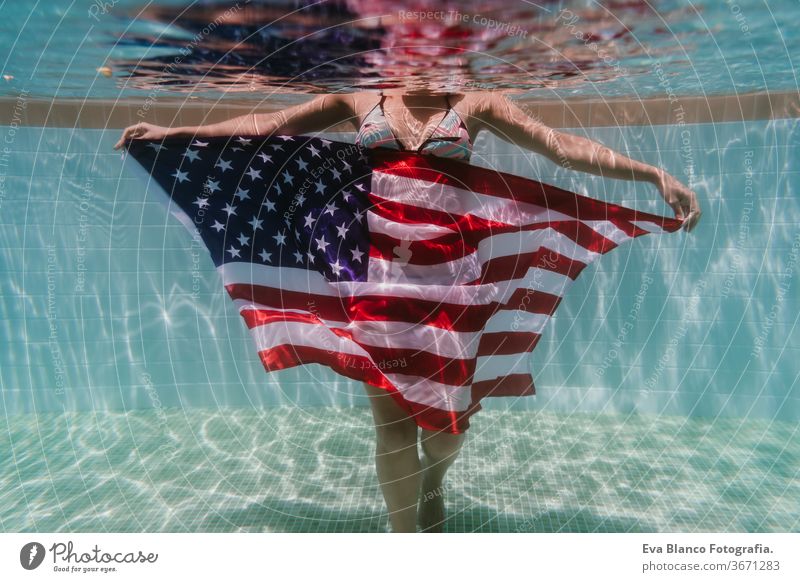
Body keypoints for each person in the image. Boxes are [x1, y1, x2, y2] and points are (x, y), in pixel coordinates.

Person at [115, 87, 701, 533]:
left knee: (445, 427)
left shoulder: (477, 101)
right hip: (374, 280)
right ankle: (407, 546)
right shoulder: (360, 97)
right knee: (391, 420)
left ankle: (435, 479)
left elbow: (560, 148)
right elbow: (264, 126)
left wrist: (652, 173)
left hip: (453, 285)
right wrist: (174, 129)